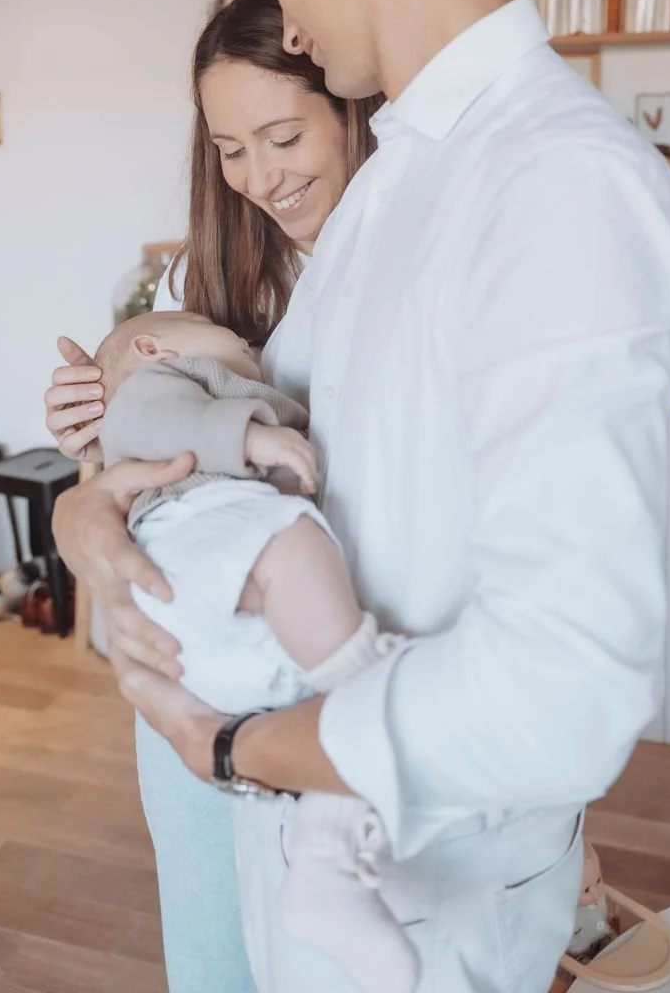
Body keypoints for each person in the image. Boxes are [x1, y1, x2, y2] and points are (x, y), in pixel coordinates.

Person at [54, 0, 670, 993]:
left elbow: (567, 682)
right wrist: (99, 498)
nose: (287, 15)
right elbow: (273, 440)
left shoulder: (556, 180)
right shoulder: (400, 178)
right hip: (309, 841)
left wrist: (243, 748)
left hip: (419, 885)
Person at [45, 0, 379, 993]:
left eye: (281, 136)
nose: (260, 178)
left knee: (340, 944)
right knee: (210, 955)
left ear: (350, 111)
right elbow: (134, 468)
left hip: (336, 676)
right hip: (206, 673)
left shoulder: (392, 265)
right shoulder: (209, 271)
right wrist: (86, 465)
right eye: (230, 150)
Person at [95, 307, 416, 993]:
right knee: (292, 545)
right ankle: (365, 679)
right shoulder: (164, 382)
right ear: (154, 346)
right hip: (181, 536)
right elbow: (143, 423)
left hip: (219, 604)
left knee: (311, 716)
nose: (246, 344)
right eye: (229, 337)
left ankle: (326, 858)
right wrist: (255, 440)